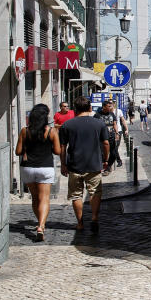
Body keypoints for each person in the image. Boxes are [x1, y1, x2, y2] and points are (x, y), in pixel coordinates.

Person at [59, 97, 110, 233]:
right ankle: (94, 218)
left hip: (74, 165)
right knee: (95, 192)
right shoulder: (99, 124)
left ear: (75, 110)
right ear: (90, 108)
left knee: (76, 195)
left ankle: (80, 223)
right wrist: (106, 160)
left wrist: (63, 165)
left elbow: (63, 147)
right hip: (94, 164)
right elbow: (106, 143)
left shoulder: (67, 125)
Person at [16, 104, 61, 241]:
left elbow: (18, 152)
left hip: (28, 168)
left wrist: (26, 148)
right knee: (44, 198)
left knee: (35, 198)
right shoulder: (51, 131)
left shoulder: (25, 131)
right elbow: (58, 151)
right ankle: (41, 225)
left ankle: (39, 222)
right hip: (45, 168)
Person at [97, 100, 121, 175]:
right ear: (104, 107)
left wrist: (117, 133)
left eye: (110, 106)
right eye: (109, 106)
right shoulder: (98, 115)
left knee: (113, 153)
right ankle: (104, 167)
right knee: (102, 153)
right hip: (102, 137)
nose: (110, 107)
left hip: (111, 136)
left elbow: (114, 124)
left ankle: (109, 165)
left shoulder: (112, 114)